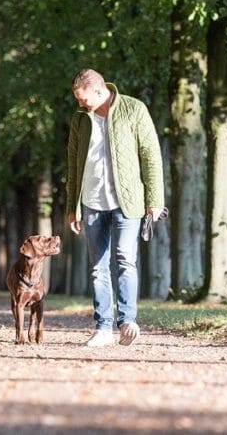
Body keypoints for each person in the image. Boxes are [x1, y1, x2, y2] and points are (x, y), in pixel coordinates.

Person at [66, 68, 164, 347]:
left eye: (84, 99)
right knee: (98, 268)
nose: (80, 104)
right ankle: (103, 327)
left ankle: (128, 322)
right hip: (92, 202)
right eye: (78, 100)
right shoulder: (79, 120)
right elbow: (73, 167)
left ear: (99, 90)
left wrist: (155, 200)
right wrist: (72, 207)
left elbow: (151, 156)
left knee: (125, 261)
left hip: (128, 201)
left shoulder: (134, 109)